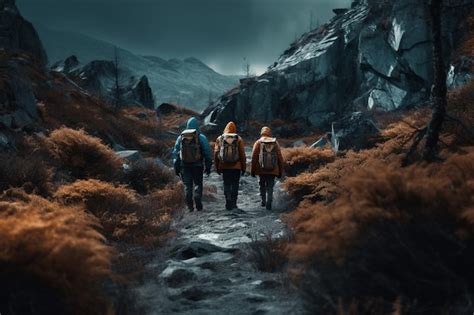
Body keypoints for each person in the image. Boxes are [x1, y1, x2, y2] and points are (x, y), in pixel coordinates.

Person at [173, 117, 212, 212]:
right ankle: (197, 197)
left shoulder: (180, 137)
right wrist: (208, 166)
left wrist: (176, 168)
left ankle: (190, 207)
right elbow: (207, 153)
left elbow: (176, 153)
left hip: (184, 165)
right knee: (198, 183)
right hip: (198, 165)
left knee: (188, 186)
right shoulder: (201, 137)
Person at [214, 121, 246, 210]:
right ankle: (234, 203)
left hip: (224, 166)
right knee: (235, 184)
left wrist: (217, 167)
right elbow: (242, 154)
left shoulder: (220, 138)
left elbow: (216, 154)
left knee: (226, 184)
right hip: (236, 167)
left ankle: (227, 200)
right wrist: (243, 168)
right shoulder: (238, 139)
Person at [251, 126, 284, 210]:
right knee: (270, 186)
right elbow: (280, 157)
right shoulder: (275, 142)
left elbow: (254, 157)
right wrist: (280, 170)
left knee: (262, 185)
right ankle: (269, 201)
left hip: (261, 169)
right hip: (273, 169)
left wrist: (253, 170)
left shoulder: (258, 142)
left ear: (261, 133)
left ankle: (263, 201)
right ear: (270, 133)